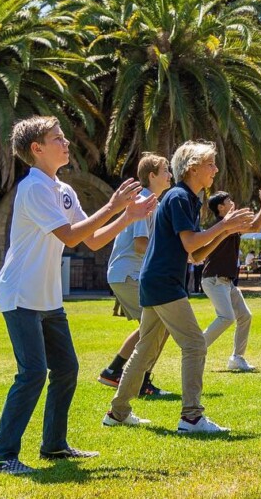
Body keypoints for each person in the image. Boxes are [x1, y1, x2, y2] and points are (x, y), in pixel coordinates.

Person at [0, 116, 156, 474]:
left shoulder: (63, 190)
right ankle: (2, 458)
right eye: (57, 139)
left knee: (66, 369)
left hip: (47, 297)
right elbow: (69, 236)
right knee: (32, 373)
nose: (66, 143)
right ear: (37, 149)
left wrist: (128, 217)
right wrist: (113, 207)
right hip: (19, 293)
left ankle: (53, 446)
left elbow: (90, 239)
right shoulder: (32, 187)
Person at [103, 140, 253, 434]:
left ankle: (117, 412)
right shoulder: (180, 197)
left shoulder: (185, 198)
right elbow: (191, 243)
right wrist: (223, 226)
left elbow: (195, 255)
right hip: (164, 282)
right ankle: (192, 417)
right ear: (193, 168)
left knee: (144, 349)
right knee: (195, 344)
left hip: (156, 280)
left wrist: (226, 230)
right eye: (210, 164)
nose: (215, 169)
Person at [99, 153, 174, 396]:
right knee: (158, 324)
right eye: (165, 170)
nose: (170, 175)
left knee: (153, 326)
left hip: (132, 274)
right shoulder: (144, 201)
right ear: (152, 176)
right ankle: (137, 379)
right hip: (128, 274)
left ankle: (115, 372)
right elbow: (140, 245)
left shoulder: (156, 203)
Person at [201, 186, 261, 370]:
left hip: (226, 282)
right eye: (228, 201)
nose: (232, 203)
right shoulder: (223, 225)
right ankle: (196, 347)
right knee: (227, 317)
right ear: (221, 207)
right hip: (214, 279)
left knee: (244, 316)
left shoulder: (230, 224)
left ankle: (237, 358)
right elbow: (255, 227)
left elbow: (255, 227)